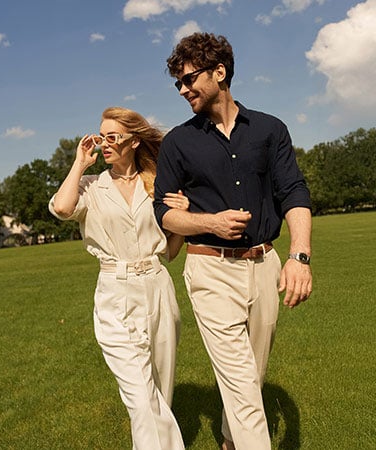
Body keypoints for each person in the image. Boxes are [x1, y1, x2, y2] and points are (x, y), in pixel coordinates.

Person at [153, 33, 314, 450]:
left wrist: (299, 256)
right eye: (178, 84)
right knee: (242, 385)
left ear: (220, 73)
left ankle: (229, 439)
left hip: (265, 266)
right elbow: (163, 213)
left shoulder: (269, 129)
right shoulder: (177, 143)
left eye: (189, 79)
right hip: (210, 270)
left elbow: (294, 191)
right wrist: (210, 222)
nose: (183, 90)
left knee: (252, 376)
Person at [49, 107, 189, 450]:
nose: (104, 143)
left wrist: (183, 219)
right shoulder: (91, 186)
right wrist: (80, 163)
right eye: (101, 136)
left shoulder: (157, 185)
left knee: (159, 392)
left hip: (157, 286)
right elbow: (63, 209)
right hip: (114, 293)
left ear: (134, 141)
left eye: (112, 136)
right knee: (141, 398)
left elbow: (169, 251)